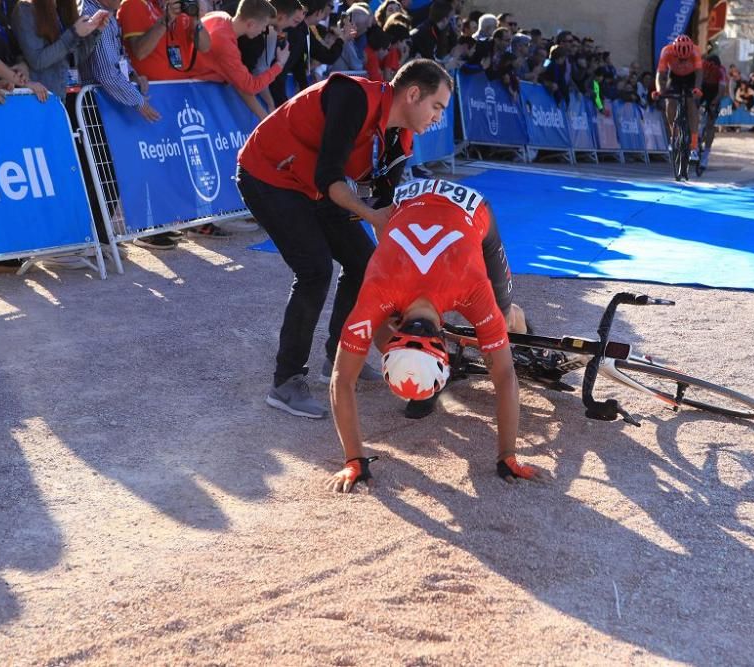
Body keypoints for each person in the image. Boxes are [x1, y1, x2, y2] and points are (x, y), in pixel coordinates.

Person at [235, 59, 452, 419]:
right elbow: (329, 178)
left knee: (364, 263)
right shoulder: (353, 97)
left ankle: (338, 358)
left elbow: (383, 206)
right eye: (436, 107)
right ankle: (286, 381)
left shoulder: (402, 139)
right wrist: (370, 216)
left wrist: (398, 270)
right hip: (269, 174)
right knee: (314, 269)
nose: (437, 118)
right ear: (413, 94)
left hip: (315, 187)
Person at [326, 178, 545, 493]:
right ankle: (498, 328)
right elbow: (341, 378)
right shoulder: (378, 293)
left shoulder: (470, 288)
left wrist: (354, 461)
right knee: (375, 321)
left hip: (470, 208)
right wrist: (506, 456)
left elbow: (341, 381)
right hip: (411, 204)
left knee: (504, 316)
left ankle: (515, 318)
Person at [194, 0, 290, 118]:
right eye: (263, 27)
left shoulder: (220, 16)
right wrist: (279, 64)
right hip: (189, 92)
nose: (262, 31)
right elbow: (250, 87)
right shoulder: (227, 47)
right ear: (251, 24)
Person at [10, 0, 108, 103]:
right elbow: (37, 60)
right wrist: (74, 34)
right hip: (37, 99)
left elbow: (74, 59)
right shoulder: (25, 9)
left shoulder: (63, 7)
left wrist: (95, 32)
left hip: (61, 98)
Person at [79, 0, 158, 120]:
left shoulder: (105, 10)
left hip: (104, 104)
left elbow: (117, 53)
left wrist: (132, 75)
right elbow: (106, 73)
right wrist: (138, 101)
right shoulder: (91, 12)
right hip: (95, 109)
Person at [117, 0, 211, 82]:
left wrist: (196, 20)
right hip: (150, 90)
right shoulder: (134, 3)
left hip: (182, 88)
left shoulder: (184, 7)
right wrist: (166, 20)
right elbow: (140, 52)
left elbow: (205, 47)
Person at [654, 33, 703, 162]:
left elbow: (699, 74)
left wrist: (697, 89)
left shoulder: (696, 51)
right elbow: (660, 74)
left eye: (685, 59)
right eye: (679, 59)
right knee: (670, 102)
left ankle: (693, 145)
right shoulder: (666, 51)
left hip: (691, 77)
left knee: (691, 103)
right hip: (674, 77)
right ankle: (674, 137)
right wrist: (659, 90)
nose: (682, 61)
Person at [698, 53, 723, 168]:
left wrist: (714, 102)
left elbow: (721, 90)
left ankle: (706, 151)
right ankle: (705, 152)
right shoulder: (702, 67)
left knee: (710, 124)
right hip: (703, 89)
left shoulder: (720, 71)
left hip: (713, 92)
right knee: (710, 125)